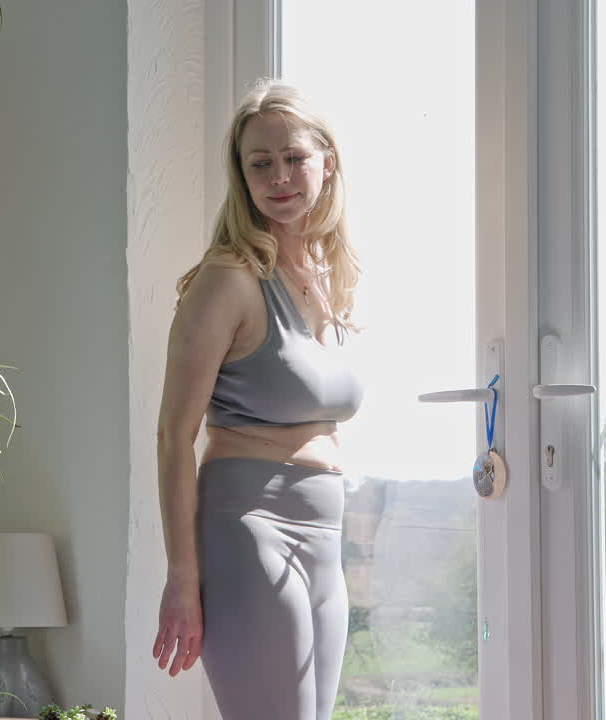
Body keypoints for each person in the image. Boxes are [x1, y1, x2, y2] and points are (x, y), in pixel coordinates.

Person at [152, 79, 364, 720]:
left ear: (326, 161)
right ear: (241, 176)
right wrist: (182, 579)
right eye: (259, 163)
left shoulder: (328, 281)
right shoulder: (228, 280)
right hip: (251, 529)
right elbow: (172, 437)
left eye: (294, 157)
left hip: (327, 534)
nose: (279, 177)